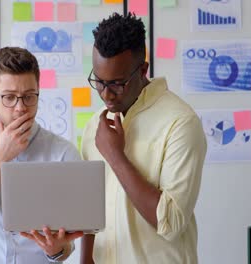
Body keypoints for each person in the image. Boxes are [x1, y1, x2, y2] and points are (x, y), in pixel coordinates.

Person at [80, 13, 207, 264]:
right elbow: (90, 209)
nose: (106, 95)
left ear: (143, 70)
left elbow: (170, 222)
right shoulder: (96, 124)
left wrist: (115, 156)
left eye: (116, 83)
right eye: (99, 81)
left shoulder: (180, 123)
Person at [0, 47, 83, 264]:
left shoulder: (63, 152)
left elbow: (67, 245)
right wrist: (1, 157)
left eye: (29, 97)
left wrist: (56, 250)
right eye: (9, 97)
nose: (20, 108)